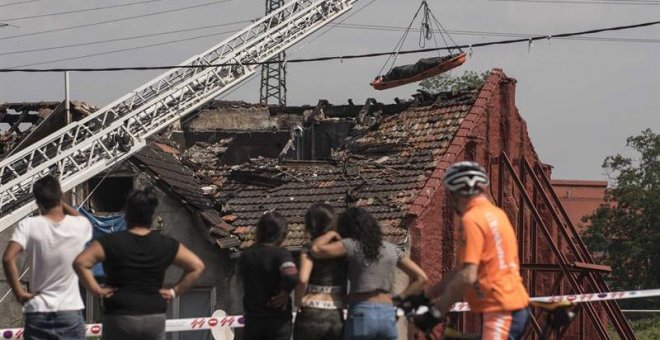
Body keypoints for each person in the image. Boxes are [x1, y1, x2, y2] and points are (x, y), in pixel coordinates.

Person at [73, 187, 204, 340]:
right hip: (153, 316)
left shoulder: (110, 242)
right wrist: (175, 291)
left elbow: (80, 262)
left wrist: (96, 289)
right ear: (152, 215)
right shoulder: (165, 244)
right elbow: (197, 266)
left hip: (119, 315)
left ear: (127, 215)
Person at [426, 161, 530, 339]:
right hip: (513, 305)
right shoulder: (497, 214)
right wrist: (427, 295)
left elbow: (467, 276)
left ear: (458, 192)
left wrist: (436, 312)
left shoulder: (472, 219)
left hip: (499, 309)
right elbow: (459, 271)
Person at [310, 207, 428, 340]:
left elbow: (316, 249)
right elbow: (421, 278)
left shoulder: (352, 245)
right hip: (387, 312)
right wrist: (399, 298)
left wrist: (331, 233)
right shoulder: (392, 249)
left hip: (361, 310)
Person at [2, 175, 91, 340]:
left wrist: (19, 293)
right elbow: (82, 219)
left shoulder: (28, 225)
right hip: (69, 309)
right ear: (60, 195)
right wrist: (60, 202)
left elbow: (8, 258)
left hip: (38, 310)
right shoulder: (79, 226)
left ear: (37, 202)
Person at [239, 211, 299, 340]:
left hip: (252, 320)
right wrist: (285, 292)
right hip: (277, 322)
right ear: (282, 233)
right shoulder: (281, 254)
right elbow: (291, 275)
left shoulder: (246, 255)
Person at [293, 203, 346, 340]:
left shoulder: (309, 248)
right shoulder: (342, 249)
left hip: (311, 311)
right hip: (335, 311)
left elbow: (303, 279)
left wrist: (298, 301)